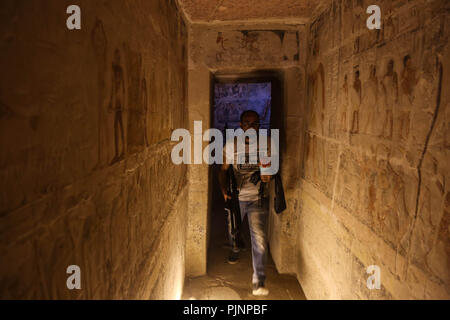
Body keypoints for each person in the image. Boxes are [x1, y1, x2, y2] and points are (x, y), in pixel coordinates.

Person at [218, 110, 276, 296]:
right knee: (233, 229)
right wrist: (224, 190)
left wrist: (266, 174)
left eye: (255, 124)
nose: (251, 127)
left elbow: (268, 174)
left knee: (259, 239)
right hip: (236, 197)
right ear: (241, 125)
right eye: (247, 123)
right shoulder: (231, 146)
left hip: (258, 198)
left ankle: (258, 280)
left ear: (259, 126)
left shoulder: (266, 144)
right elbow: (223, 170)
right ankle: (235, 246)